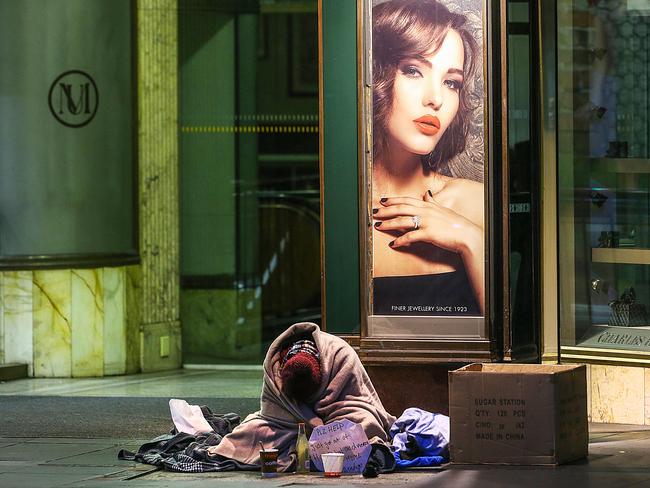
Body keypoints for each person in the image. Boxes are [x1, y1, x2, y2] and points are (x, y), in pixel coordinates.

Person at [371, 0, 485, 315]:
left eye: (451, 83)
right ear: (374, 73)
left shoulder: (476, 205)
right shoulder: (338, 215)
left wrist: (470, 240)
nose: (435, 99)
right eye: (413, 70)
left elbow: (515, 353)